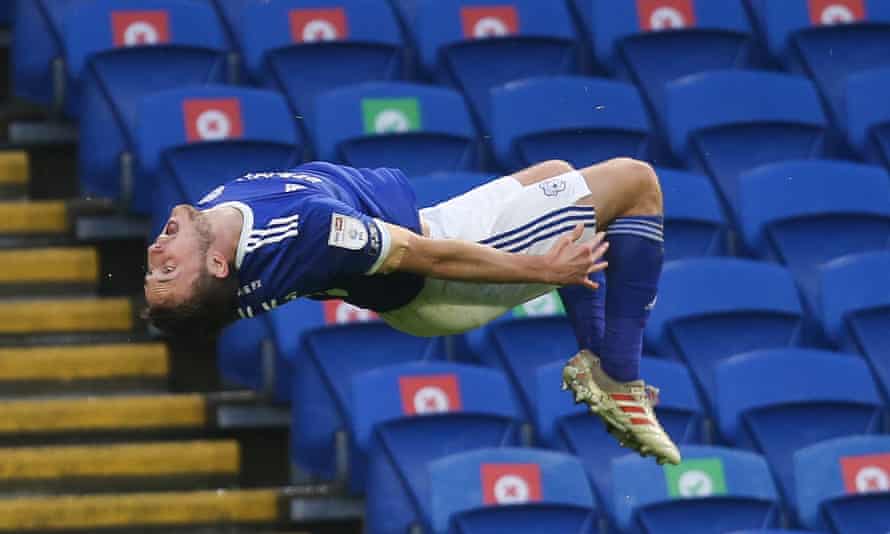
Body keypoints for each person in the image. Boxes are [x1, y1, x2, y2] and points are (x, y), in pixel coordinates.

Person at [144, 158, 679, 465]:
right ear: (217, 265)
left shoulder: (213, 218)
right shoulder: (314, 232)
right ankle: (619, 376)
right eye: (168, 272)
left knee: (559, 174)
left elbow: (216, 302)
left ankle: (594, 356)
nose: (153, 256)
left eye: (153, 273)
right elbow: (432, 257)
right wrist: (542, 272)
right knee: (634, 183)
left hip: (431, 224)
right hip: (440, 280)